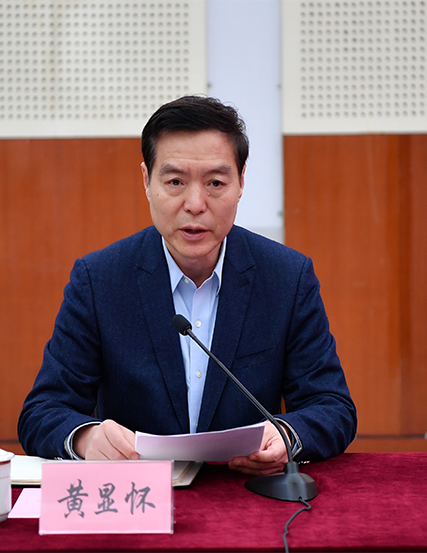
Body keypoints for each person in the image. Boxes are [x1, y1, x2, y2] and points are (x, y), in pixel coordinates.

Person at [18, 95, 356, 476]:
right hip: (139, 494)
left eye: (215, 183)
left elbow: (332, 406)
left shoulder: (286, 278)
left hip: (244, 495)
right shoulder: (99, 280)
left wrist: (287, 435)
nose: (195, 204)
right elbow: (43, 411)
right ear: (147, 181)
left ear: (241, 182)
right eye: (175, 181)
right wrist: (86, 438)